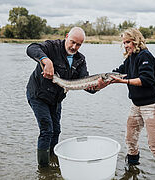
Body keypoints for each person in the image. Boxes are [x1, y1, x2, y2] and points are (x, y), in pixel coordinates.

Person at [98, 28, 155, 180]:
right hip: (136, 105)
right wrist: (102, 81)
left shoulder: (145, 56)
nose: (125, 45)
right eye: (124, 42)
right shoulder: (130, 58)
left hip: (153, 106)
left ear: (136, 41)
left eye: (128, 42)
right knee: (130, 139)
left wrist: (122, 81)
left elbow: (146, 79)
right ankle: (132, 170)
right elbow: (119, 71)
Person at [26, 27, 97, 167]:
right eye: (72, 42)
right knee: (47, 130)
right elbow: (31, 48)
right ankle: (44, 168)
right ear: (66, 36)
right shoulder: (52, 47)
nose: (74, 47)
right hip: (38, 94)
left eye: (78, 44)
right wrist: (46, 60)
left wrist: (99, 85)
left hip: (56, 98)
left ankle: (53, 159)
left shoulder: (80, 60)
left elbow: (85, 84)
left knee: (56, 130)